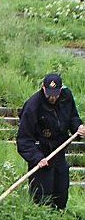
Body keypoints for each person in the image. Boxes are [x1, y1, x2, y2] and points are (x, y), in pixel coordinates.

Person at [16, 73, 85, 210]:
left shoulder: (66, 96)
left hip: (59, 150)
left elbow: (72, 117)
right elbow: (23, 140)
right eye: (49, 94)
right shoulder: (32, 106)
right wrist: (36, 158)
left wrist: (78, 127)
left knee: (61, 194)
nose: (52, 97)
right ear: (43, 88)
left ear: (61, 89)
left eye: (56, 94)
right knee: (42, 198)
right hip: (41, 154)